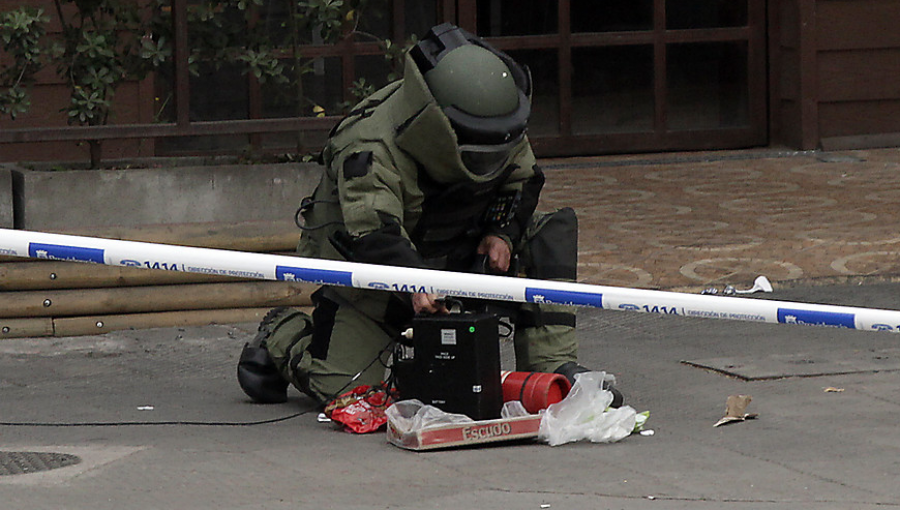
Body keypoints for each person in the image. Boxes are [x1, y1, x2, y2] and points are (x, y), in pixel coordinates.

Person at [236, 22, 623, 408]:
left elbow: (524, 179)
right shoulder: (370, 146)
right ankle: (281, 332)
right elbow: (374, 232)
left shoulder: (497, 126)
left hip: (461, 252)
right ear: (439, 129)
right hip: (376, 273)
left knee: (548, 232)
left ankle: (551, 370)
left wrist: (501, 232)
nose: (489, 158)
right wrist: (416, 283)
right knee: (345, 393)